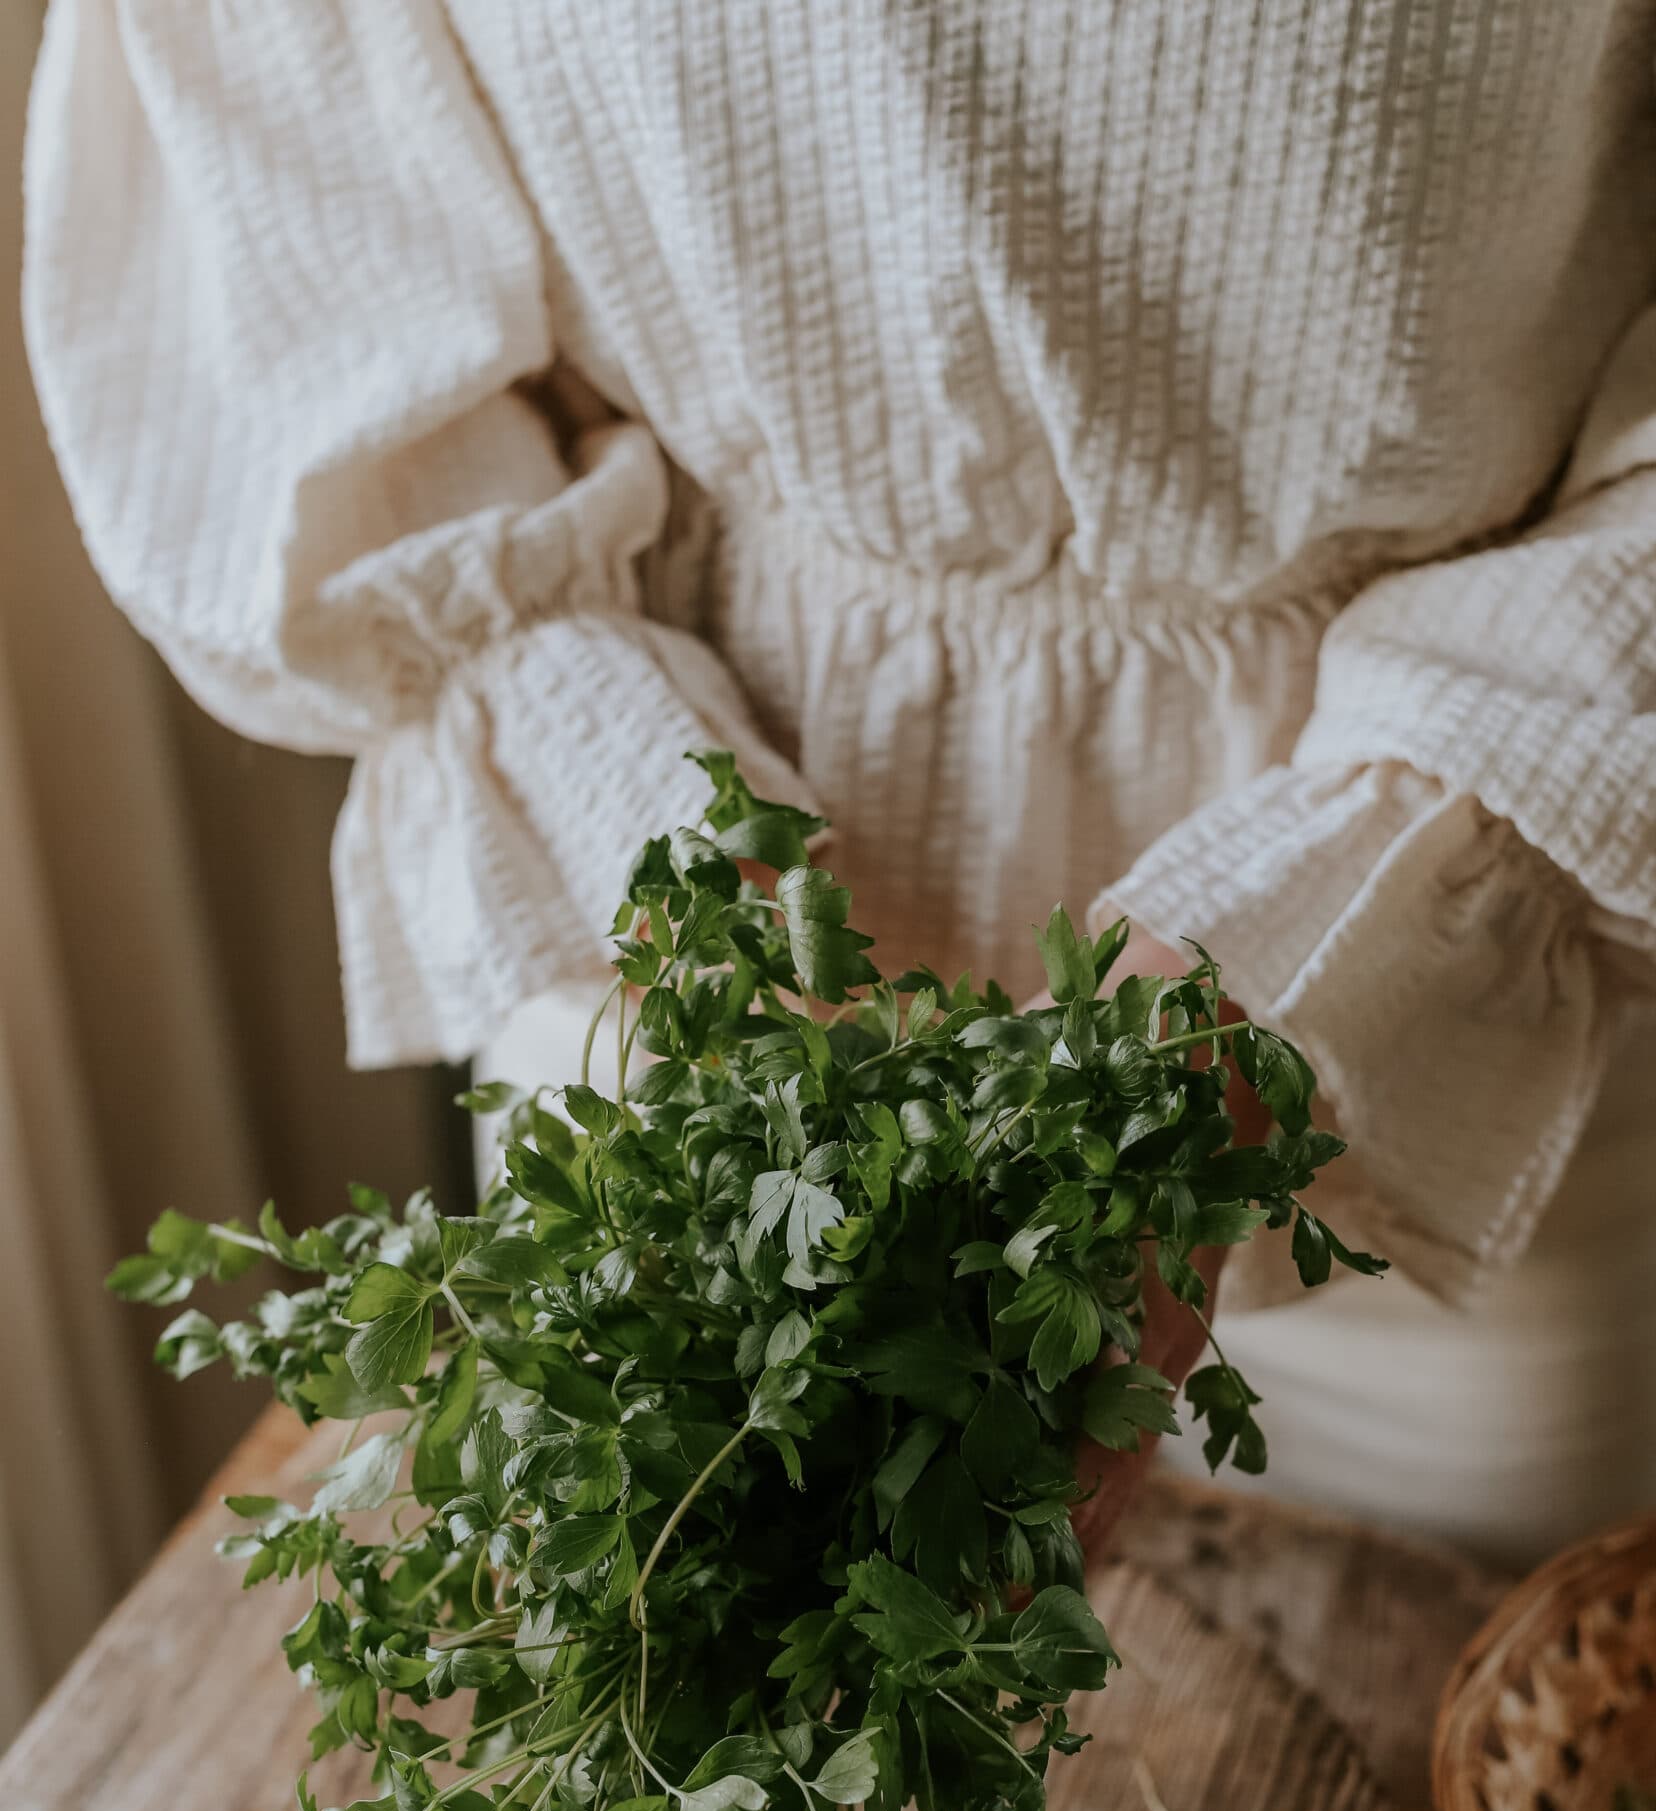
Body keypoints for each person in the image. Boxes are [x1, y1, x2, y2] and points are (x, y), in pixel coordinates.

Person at [24, 1, 1656, 1566]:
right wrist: (689, 900)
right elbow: (268, 176)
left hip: (1444, 1054)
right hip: (659, 966)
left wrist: (1241, 1028)